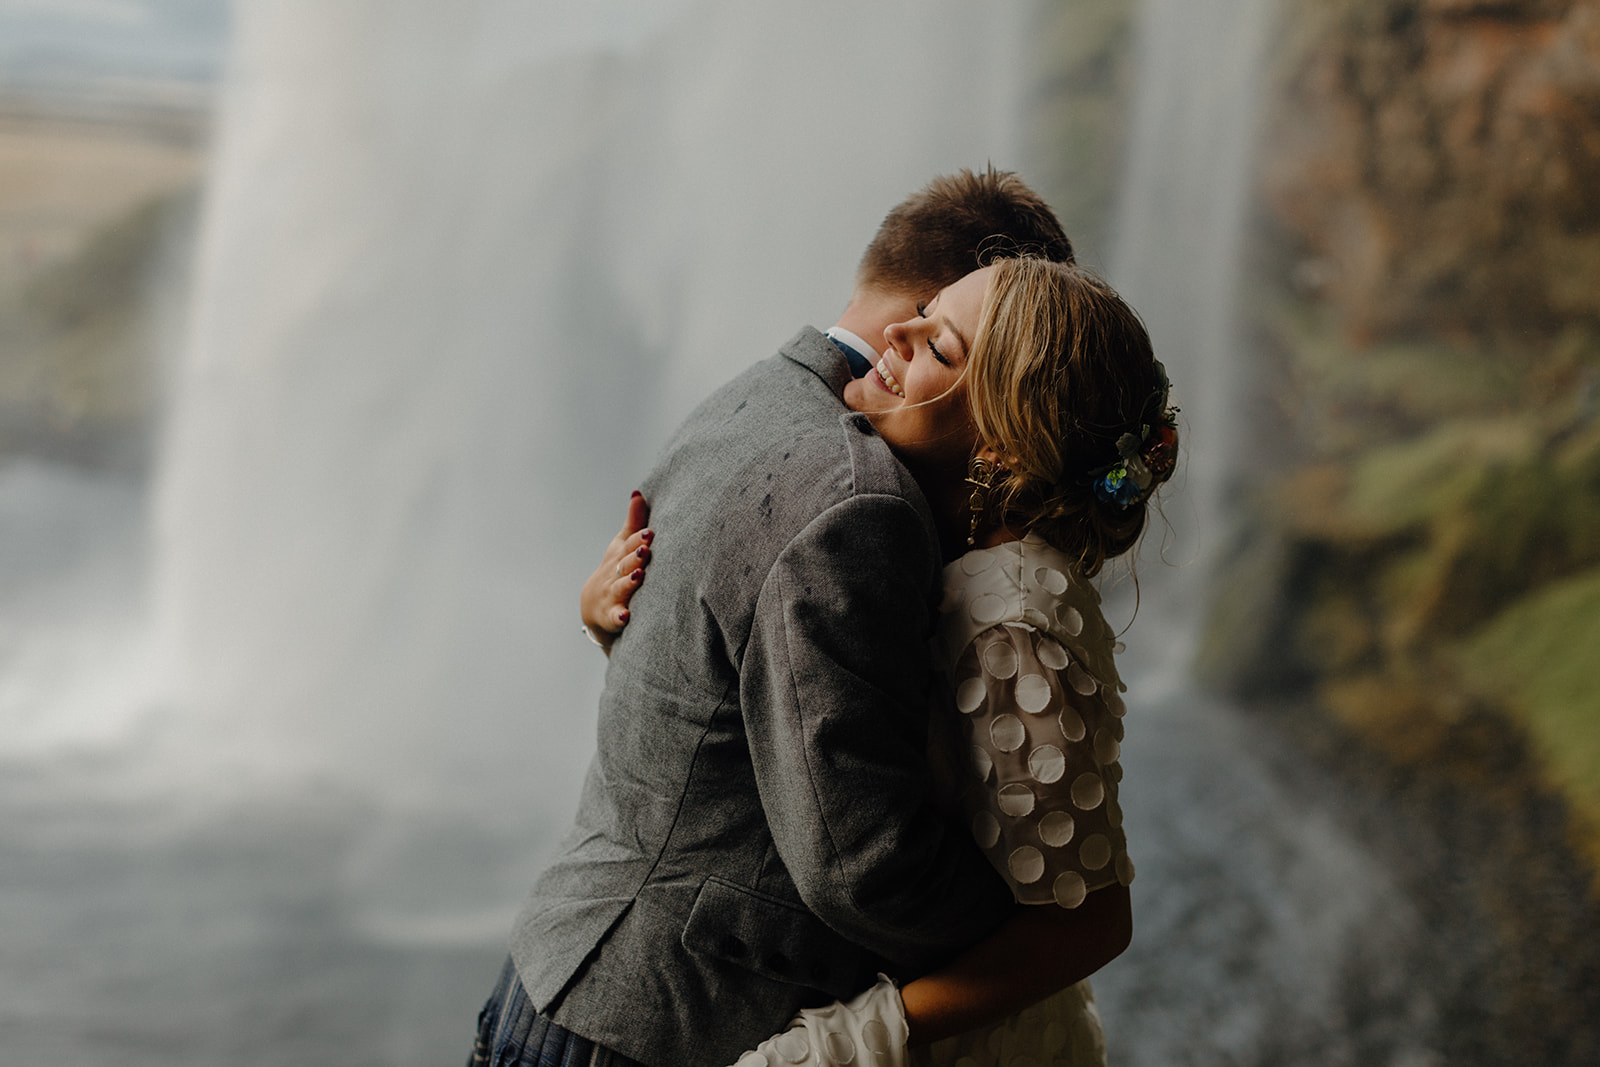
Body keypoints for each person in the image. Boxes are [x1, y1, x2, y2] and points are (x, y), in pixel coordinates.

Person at [468, 170, 1079, 1067]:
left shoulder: (745, 400)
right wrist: (1034, 936)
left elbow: (700, 679)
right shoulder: (856, 497)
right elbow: (860, 861)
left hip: (561, 975)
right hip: (662, 1025)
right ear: (932, 310)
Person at [586, 258, 1177, 1065]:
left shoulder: (1015, 612)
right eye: (923, 312)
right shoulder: (935, 546)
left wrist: (852, 1040)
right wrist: (616, 620)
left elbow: (1090, 921)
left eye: (937, 345)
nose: (891, 333)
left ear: (1000, 449)